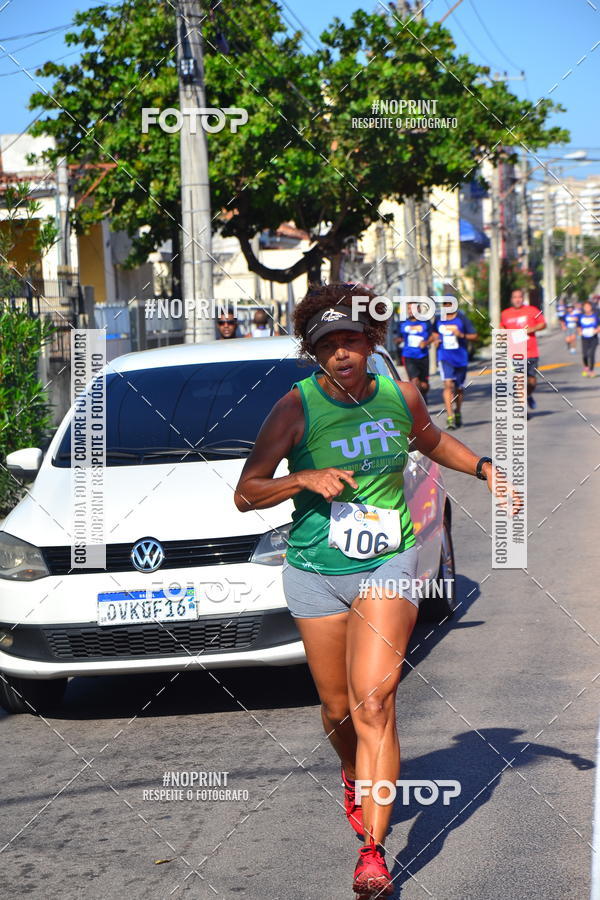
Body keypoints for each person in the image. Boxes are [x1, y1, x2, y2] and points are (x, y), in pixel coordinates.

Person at [234, 282, 520, 898]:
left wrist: (485, 468)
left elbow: (430, 439)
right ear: (315, 353)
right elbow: (246, 490)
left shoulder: (399, 393)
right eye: (328, 344)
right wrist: (302, 478)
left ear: (371, 344)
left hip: (388, 561)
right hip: (314, 569)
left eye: (352, 341)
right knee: (338, 710)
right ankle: (351, 770)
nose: (342, 353)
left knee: (375, 704)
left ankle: (373, 851)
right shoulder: (295, 408)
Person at [432, 301, 477, 430]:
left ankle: (458, 411)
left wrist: (461, 335)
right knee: (448, 385)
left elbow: (474, 335)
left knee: (459, 388)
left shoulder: (462, 319)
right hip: (445, 357)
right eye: (445, 304)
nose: (447, 307)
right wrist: (435, 340)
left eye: (449, 304)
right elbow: (434, 333)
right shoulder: (438, 319)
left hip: (460, 358)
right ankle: (450, 417)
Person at [500, 289, 547, 412]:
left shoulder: (532, 310)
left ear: (523, 298)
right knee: (519, 380)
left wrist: (530, 330)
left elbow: (543, 324)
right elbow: (502, 328)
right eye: (515, 297)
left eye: (519, 297)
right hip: (515, 353)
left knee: (531, 381)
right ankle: (523, 408)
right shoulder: (505, 313)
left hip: (531, 352)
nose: (517, 299)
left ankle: (529, 395)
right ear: (511, 299)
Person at [394, 302, 433, 403]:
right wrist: (398, 340)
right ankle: (419, 403)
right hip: (409, 355)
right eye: (409, 309)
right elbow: (399, 337)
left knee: (424, 385)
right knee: (414, 381)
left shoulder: (426, 323)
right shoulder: (402, 323)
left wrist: (426, 342)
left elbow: (433, 336)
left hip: (423, 355)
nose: (411, 311)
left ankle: (423, 395)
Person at [577, 299, 599, 377]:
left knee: (591, 354)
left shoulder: (595, 315)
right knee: (585, 355)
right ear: (583, 308)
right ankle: (586, 366)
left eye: (588, 306)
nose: (587, 308)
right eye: (585, 307)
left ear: (591, 307)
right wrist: (579, 331)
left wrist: (596, 330)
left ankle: (591, 370)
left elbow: (599, 325)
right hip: (584, 338)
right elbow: (578, 326)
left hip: (594, 338)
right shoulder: (581, 316)